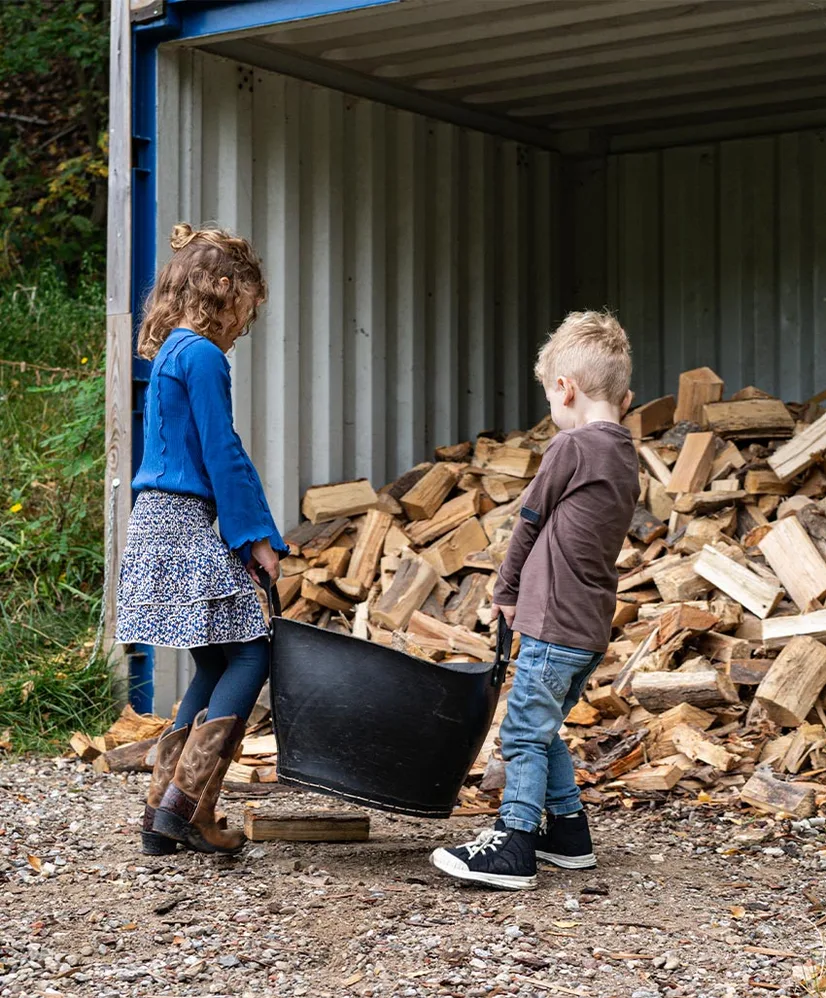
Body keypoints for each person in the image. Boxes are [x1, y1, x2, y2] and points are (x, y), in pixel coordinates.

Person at [430, 311, 638, 890]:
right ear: (627, 396)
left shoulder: (570, 448)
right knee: (542, 729)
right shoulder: (624, 455)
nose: (551, 407)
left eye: (549, 393)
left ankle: (513, 843)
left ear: (565, 388)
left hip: (554, 624)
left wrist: (505, 588)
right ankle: (568, 834)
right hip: (587, 627)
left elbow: (528, 520)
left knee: (521, 733)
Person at [116, 223, 288, 857]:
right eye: (246, 306)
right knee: (250, 655)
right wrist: (257, 539)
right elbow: (223, 450)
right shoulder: (204, 355)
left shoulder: (169, 352)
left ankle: (162, 813)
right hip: (184, 519)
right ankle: (190, 811)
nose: (245, 324)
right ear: (223, 289)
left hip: (153, 518)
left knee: (214, 658)